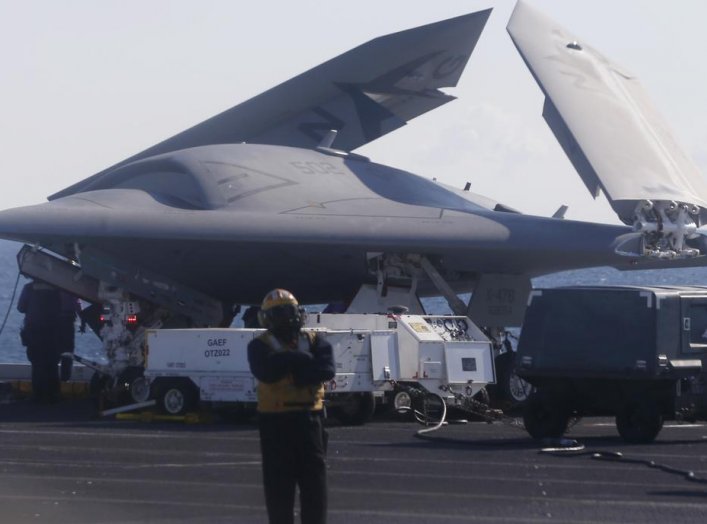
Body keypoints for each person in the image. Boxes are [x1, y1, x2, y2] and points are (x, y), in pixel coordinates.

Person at [247, 289, 335, 524]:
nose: (285, 319)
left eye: (287, 313)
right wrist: (300, 361)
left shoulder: (313, 340)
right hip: (278, 422)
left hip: (307, 419)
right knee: (280, 489)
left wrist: (288, 366)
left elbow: (326, 370)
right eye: (280, 314)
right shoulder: (260, 345)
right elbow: (266, 372)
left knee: (313, 486)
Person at [17, 280, 80, 403]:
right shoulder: (56, 289)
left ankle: (38, 394)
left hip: (34, 332)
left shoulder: (29, 288)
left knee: (37, 364)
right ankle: (53, 394)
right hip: (53, 332)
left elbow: (21, 308)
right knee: (51, 364)